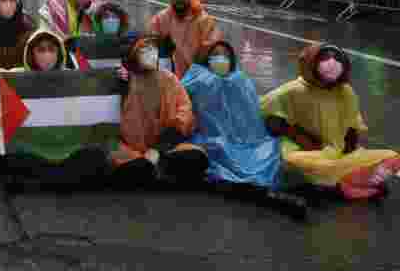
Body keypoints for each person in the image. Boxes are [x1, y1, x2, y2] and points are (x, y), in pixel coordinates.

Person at [0, 28, 115, 193]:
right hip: (29, 150)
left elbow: (100, 99)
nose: (46, 55)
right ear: (31, 53)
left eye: (51, 49)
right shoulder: (15, 78)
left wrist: (119, 79)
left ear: (59, 53)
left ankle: (37, 182)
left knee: (96, 156)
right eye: (41, 50)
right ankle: (61, 182)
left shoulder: (77, 79)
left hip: (70, 149)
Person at [182, 41, 307, 218]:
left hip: (247, 138)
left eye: (226, 55)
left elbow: (252, 111)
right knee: (225, 157)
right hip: (212, 138)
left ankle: (262, 192)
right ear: (206, 58)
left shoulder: (240, 79)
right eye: (216, 54)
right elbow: (183, 105)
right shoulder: (197, 78)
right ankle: (266, 194)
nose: (221, 59)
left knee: (262, 156)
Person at [260, 44, 400, 200]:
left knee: (392, 157)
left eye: (336, 58)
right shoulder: (293, 91)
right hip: (306, 153)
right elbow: (270, 119)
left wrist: (349, 148)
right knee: (301, 164)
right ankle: (347, 184)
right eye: (325, 58)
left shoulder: (346, 91)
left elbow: (353, 123)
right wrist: (301, 138)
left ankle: (343, 184)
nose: (332, 63)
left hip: (338, 152)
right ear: (309, 63)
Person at [110, 37, 209, 188]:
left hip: (166, 146)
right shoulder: (126, 79)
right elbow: (114, 117)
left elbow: (185, 112)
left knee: (197, 156)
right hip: (130, 148)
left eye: (153, 50)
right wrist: (120, 85)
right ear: (134, 54)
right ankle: (154, 169)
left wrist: (158, 148)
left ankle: (155, 167)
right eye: (144, 50)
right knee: (122, 162)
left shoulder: (169, 78)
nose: (150, 54)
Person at [147, 0, 223, 79]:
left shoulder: (203, 19)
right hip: (175, 76)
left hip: (200, 75)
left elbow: (214, 46)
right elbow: (150, 40)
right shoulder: (162, 17)